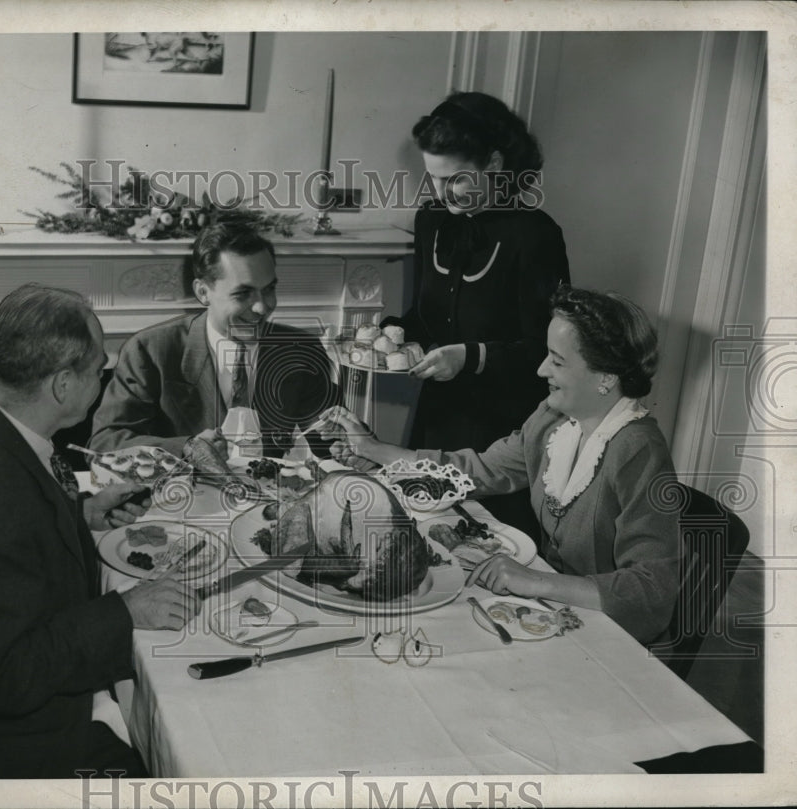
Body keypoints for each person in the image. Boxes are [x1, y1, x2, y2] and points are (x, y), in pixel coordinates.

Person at [0, 283, 200, 778]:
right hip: (14, 740)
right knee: (187, 746)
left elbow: (15, 536)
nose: (104, 378)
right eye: (98, 369)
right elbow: (4, 676)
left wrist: (80, 514)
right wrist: (127, 610)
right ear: (63, 384)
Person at [326, 287, 681, 644]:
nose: (541, 369)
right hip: (554, 612)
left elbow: (652, 593)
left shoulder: (638, 450)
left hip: (610, 636)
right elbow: (478, 470)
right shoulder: (553, 419)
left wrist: (536, 581)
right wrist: (375, 450)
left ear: (606, 377)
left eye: (557, 362)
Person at [384, 91, 571, 535]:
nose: (441, 192)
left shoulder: (536, 236)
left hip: (504, 432)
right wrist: (391, 332)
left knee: (493, 545)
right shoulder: (431, 221)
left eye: (455, 179)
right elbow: (425, 316)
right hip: (439, 418)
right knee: (425, 532)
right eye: (433, 178)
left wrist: (470, 357)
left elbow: (547, 352)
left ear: (494, 164)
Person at [90, 223, 341, 458]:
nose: (262, 307)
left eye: (269, 289)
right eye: (242, 294)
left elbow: (330, 440)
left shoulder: (301, 349)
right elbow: (106, 443)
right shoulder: (149, 351)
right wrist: (187, 447)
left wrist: (349, 444)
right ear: (203, 292)